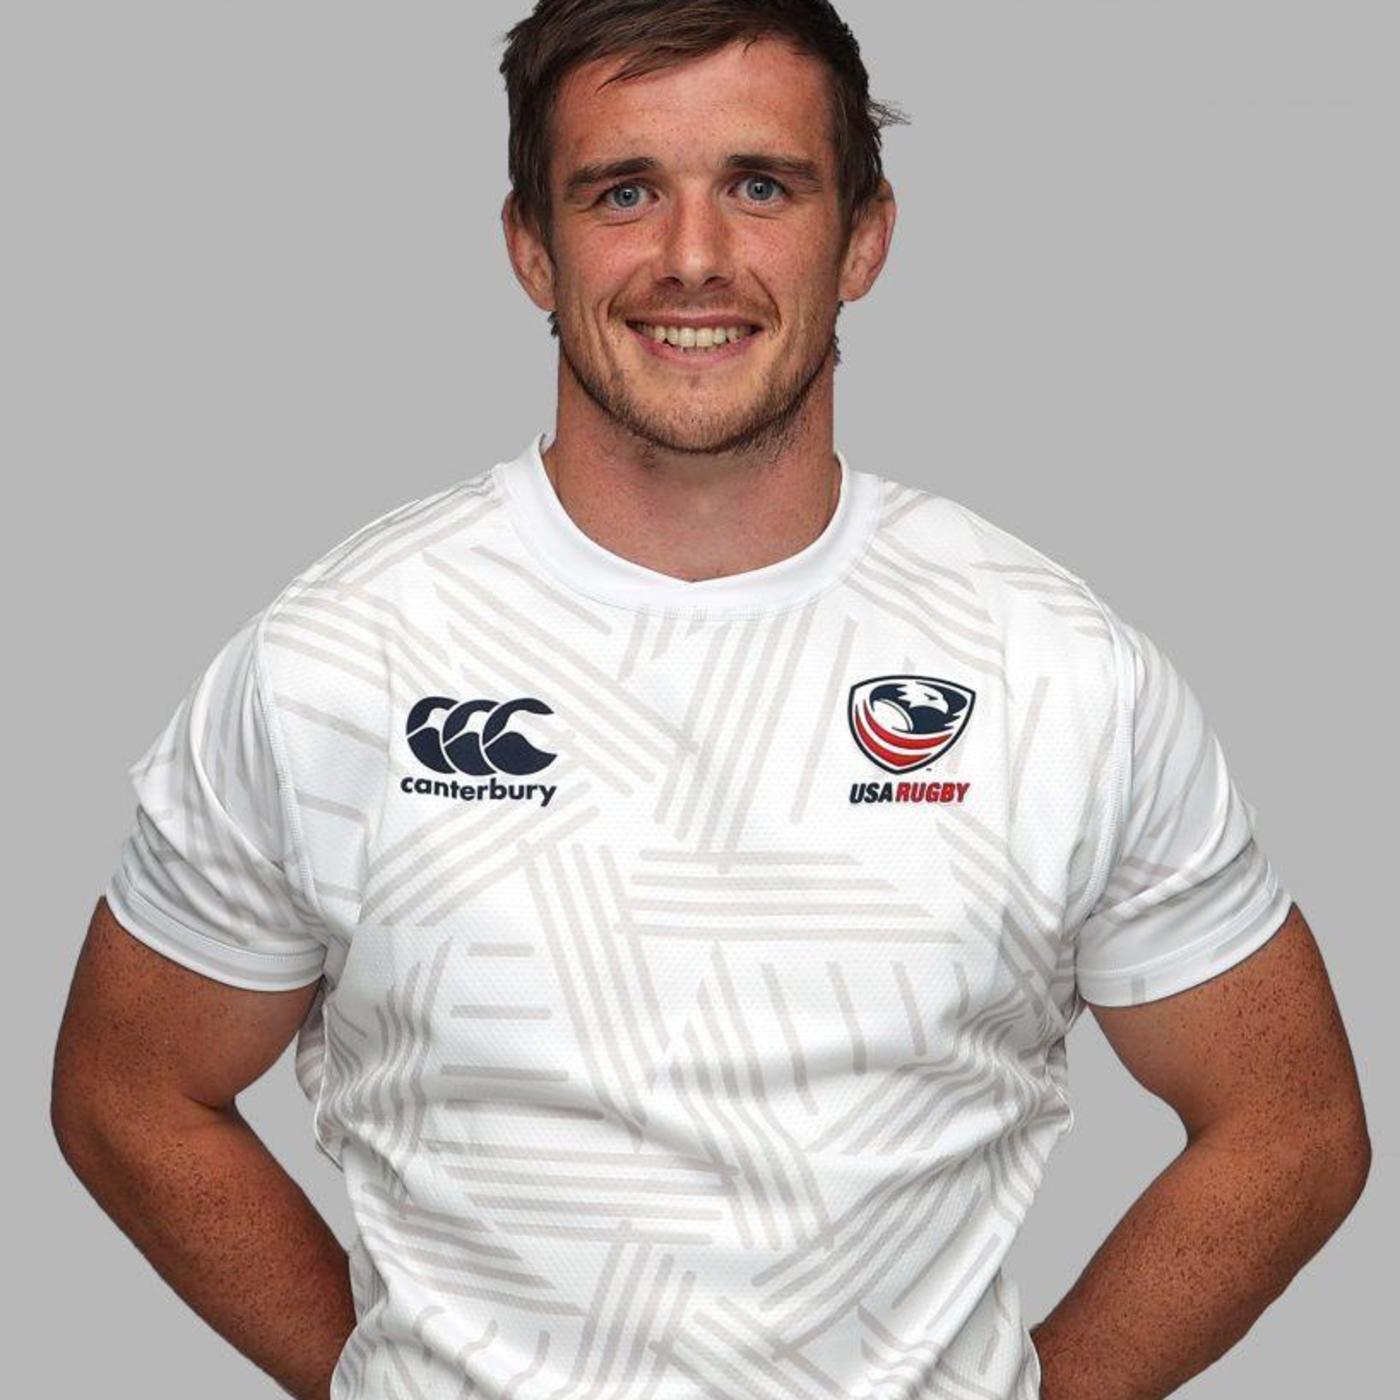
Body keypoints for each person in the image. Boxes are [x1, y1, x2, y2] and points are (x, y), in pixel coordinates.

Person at [51, 2, 1370, 1398]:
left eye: (761, 187)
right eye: (623, 193)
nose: (693, 257)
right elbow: (129, 1093)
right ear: (530, 246)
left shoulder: (1054, 671)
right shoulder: (338, 662)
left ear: (863, 239)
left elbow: (1290, 1125)